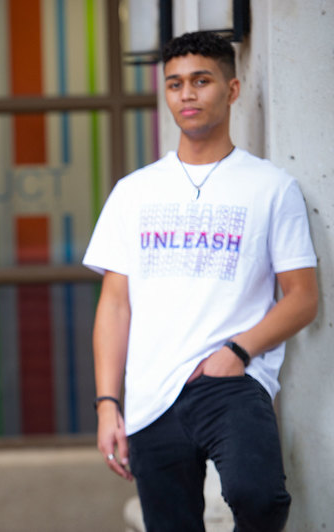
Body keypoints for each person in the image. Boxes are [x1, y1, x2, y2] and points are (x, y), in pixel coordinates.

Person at [83, 31, 318, 532]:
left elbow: (303, 298)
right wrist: (108, 405)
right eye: (174, 84)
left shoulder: (271, 188)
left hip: (231, 380)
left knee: (259, 498)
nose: (186, 94)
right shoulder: (133, 192)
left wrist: (238, 351)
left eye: (200, 80)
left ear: (231, 90)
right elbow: (115, 305)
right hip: (151, 392)